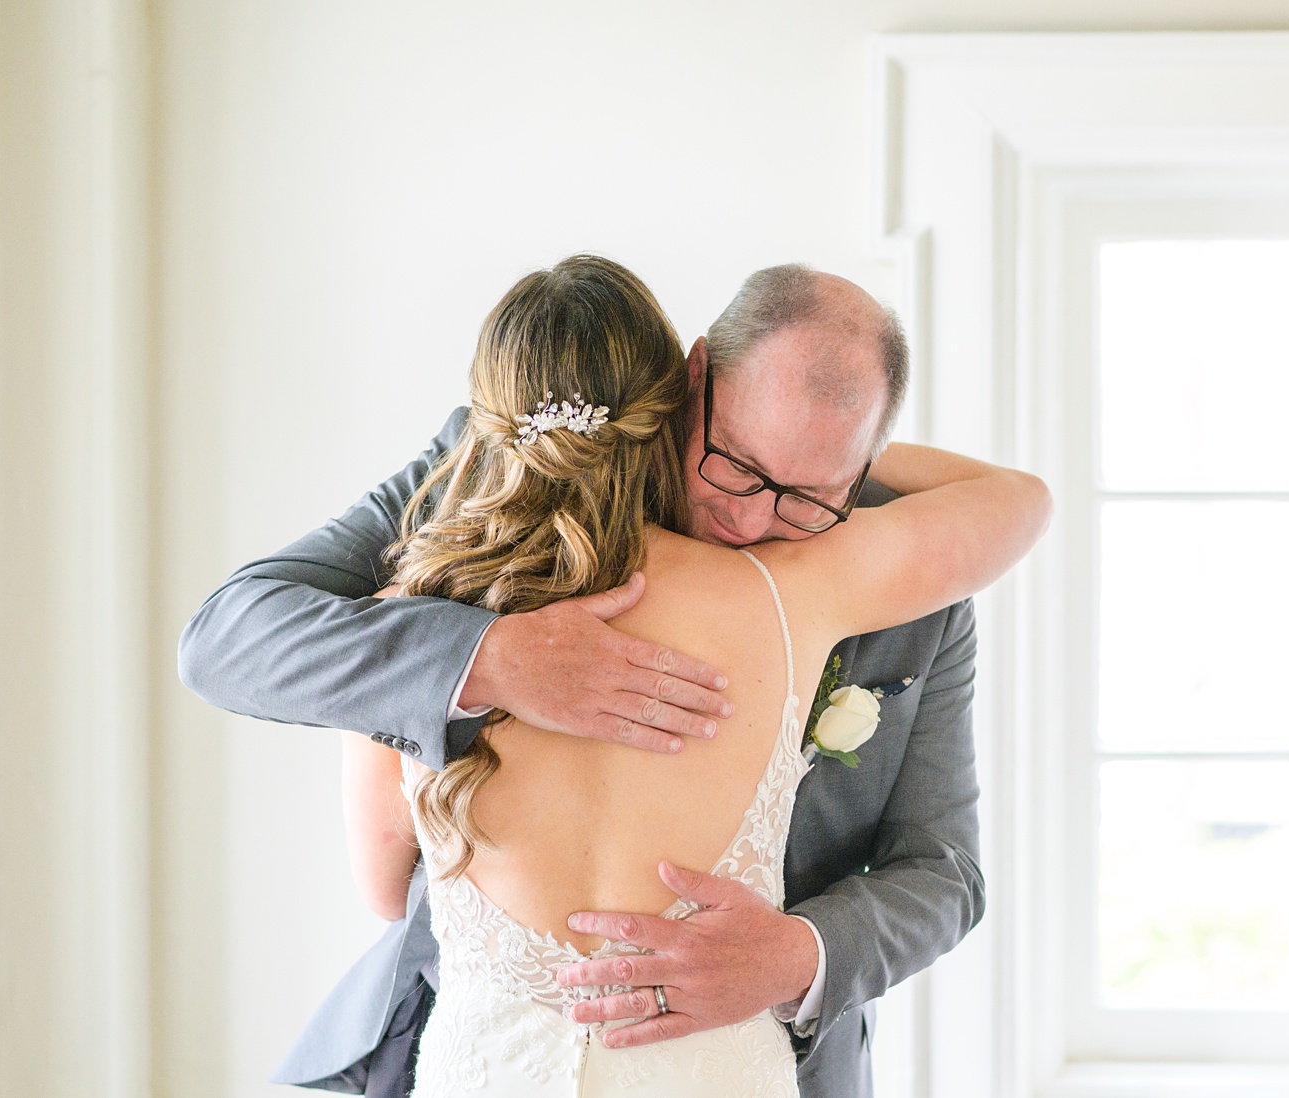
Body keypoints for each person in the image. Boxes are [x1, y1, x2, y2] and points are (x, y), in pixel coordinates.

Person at [179, 260, 1040, 1097]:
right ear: (689, 379)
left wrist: (799, 957)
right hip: (478, 1036)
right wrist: (487, 659)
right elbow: (227, 636)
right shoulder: (489, 472)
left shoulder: (907, 579)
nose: (749, 519)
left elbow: (944, 871)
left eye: (809, 495)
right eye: (734, 462)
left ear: (865, 469)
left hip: (753, 1050)